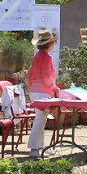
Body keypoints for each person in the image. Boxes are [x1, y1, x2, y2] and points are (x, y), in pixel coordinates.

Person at [26, 30, 59, 158]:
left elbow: (30, 75)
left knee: (41, 120)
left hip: (36, 91)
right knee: (40, 121)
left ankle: (39, 148)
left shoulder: (37, 57)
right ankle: (34, 149)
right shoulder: (45, 58)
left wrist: (31, 89)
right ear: (49, 44)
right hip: (42, 92)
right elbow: (46, 77)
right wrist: (55, 88)